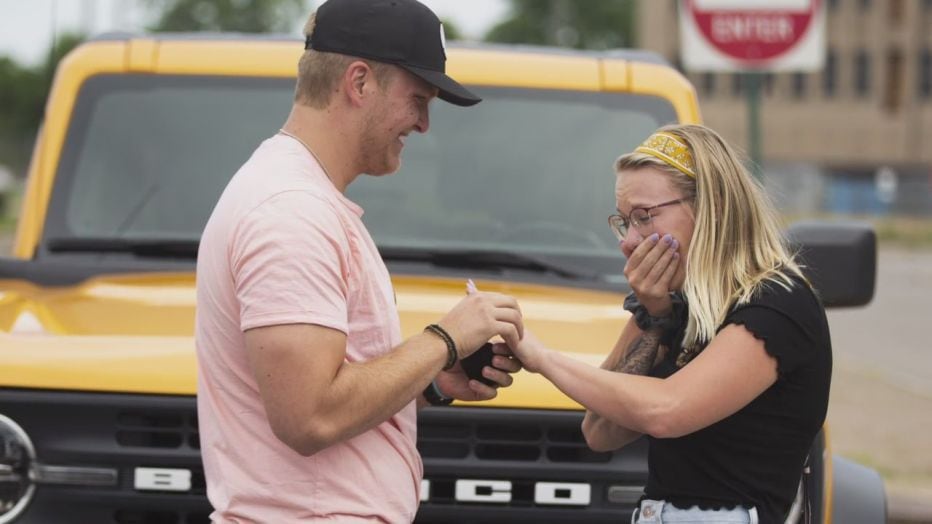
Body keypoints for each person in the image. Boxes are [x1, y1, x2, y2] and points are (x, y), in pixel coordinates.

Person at [194, 0, 524, 521]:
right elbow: (310, 418)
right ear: (359, 82)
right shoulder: (290, 213)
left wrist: (433, 381)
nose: (423, 125)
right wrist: (443, 340)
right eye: (419, 99)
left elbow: (326, 395)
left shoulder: (300, 197)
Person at [504, 124, 831, 524]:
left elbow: (667, 411)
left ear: (713, 206)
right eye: (624, 222)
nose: (628, 241)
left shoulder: (776, 301)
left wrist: (542, 358)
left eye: (644, 217)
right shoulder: (676, 308)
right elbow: (600, 431)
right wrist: (656, 319)